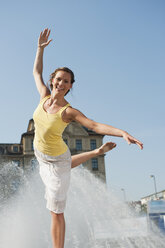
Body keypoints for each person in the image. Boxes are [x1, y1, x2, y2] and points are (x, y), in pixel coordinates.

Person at [33, 28, 143, 248]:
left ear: (70, 86)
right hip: (42, 156)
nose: (61, 83)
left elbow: (93, 125)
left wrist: (122, 132)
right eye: (59, 79)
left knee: (56, 211)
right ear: (52, 79)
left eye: (66, 81)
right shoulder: (43, 96)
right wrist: (40, 49)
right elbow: (36, 72)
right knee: (65, 164)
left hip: (56, 158)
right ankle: (95, 152)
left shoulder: (68, 112)